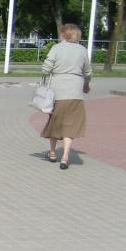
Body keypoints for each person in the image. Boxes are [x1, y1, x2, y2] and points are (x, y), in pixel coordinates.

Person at [41, 23, 92, 170]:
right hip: (76, 93)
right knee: (71, 124)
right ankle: (65, 156)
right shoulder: (82, 50)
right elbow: (88, 72)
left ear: (63, 34)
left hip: (58, 92)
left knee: (55, 121)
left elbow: (46, 68)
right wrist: (86, 84)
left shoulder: (56, 48)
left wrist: (46, 78)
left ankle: (52, 153)